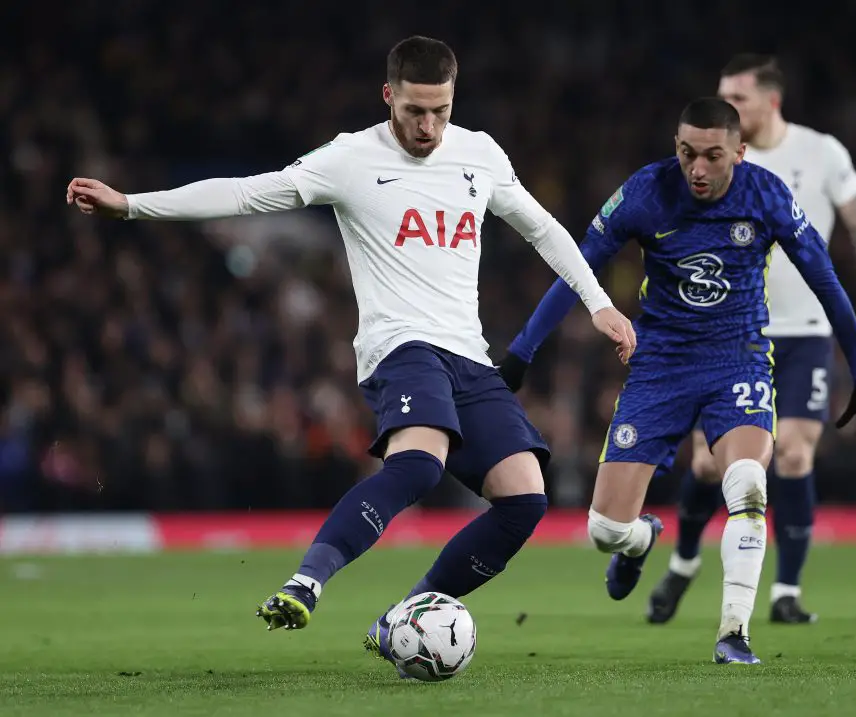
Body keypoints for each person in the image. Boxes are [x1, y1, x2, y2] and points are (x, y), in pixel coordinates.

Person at [66, 35, 635, 676]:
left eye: (441, 111)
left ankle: (403, 616)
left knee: (525, 498)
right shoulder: (350, 158)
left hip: (468, 354)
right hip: (400, 346)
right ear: (388, 95)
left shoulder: (480, 154)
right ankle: (307, 582)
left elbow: (542, 228)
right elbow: (250, 194)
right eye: (415, 111)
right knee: (420, 465)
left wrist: (597, 304)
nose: (428, 126)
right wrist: (134, 206)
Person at [497, 97, 856, 664]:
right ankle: (642, 538)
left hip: (739, 359)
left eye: (712, 155)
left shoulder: (766, 195)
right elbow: (579, 266)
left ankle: (734, 633)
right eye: (686, 153)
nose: (697, 168)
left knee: (748, 484)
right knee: (605, 529)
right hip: (660, 366)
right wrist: (522, 352)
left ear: (739, 151)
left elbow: (827, 282)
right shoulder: (645, 192)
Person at [647, 55, 856, 626]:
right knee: (710, 467)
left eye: (737, 96)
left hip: (805, 333)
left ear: (772, 101)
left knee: (791, 451)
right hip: (731, 334)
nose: (726, 108)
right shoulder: (710, 164)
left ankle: (785, 590)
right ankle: (685, 563)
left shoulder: (822, 153)